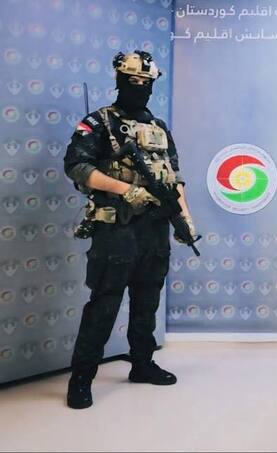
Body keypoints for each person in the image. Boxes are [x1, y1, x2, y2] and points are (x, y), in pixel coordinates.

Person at [63, 51, 197, 409]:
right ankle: (81, 378)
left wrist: (185, 218)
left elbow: (174, 177)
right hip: (116, 226)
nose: (140, 88)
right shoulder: (99, 122)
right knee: (105, 302)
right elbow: (76, 166)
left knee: (147, 299)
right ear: (120, 80)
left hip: (155, 228)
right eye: (133, 81)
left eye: (146, 83)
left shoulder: (159, 128)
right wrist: (127, 190)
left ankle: (142, 363)